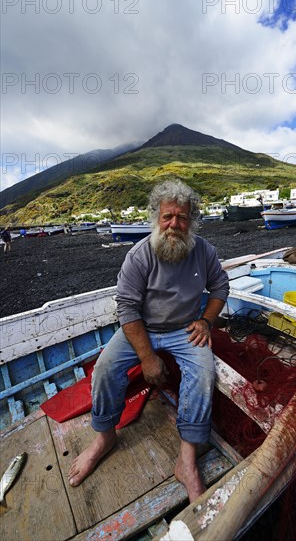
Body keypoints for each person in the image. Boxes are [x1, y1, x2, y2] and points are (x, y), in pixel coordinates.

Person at [68, 179, 229, 502]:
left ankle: (186, 461)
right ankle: (104, 438)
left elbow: (220, 289)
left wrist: (206, 321)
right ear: (156, 217)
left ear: (191, 221)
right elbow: (126, 309)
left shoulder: (204, 252)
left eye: (181, 218)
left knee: (204, 373)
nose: (174, 225)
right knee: (104, 368)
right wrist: (147, 357)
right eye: (167, 216)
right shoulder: (139, 256)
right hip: (140, 328)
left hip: (185, 329)